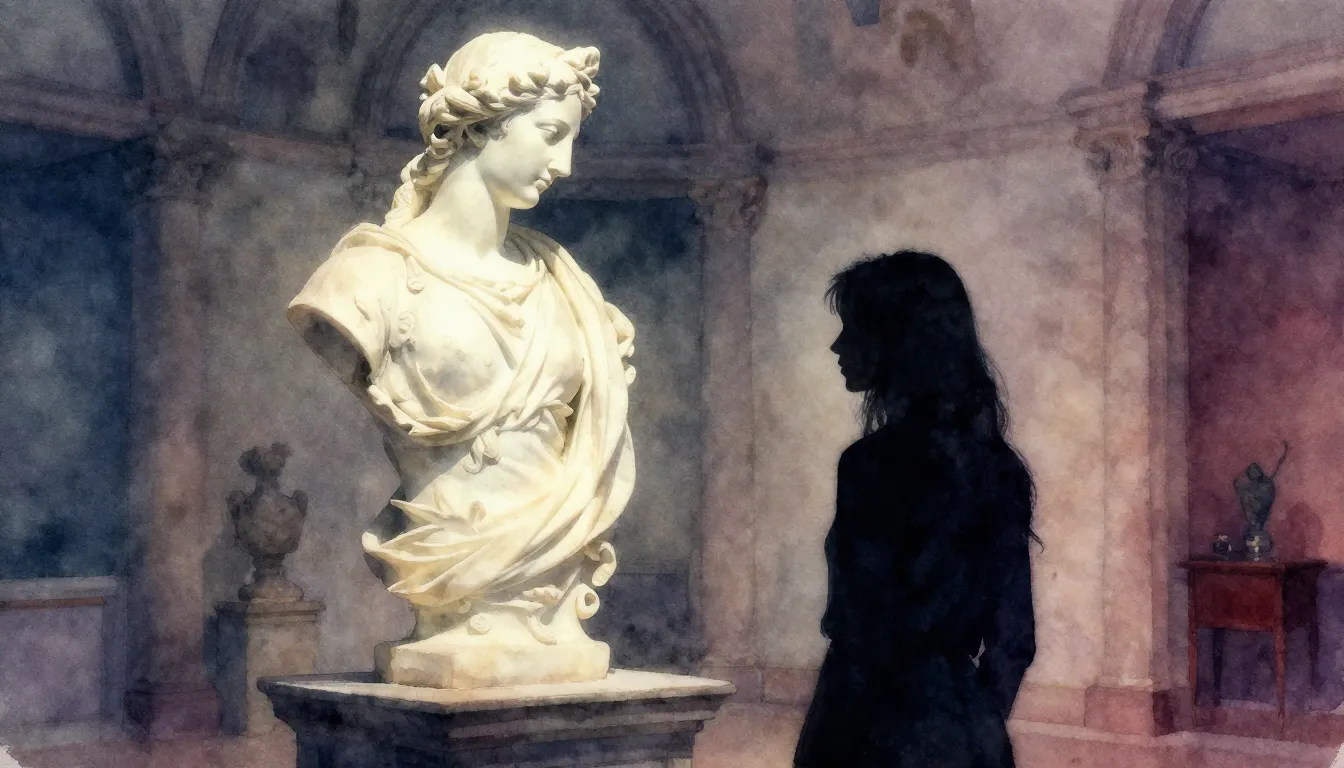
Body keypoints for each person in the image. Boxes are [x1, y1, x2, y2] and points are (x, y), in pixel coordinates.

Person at [286, 32, 635, 681]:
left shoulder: (566, 287)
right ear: (480, 126)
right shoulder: (366, 281)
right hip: (451, 563)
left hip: (555, 599)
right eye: (551, 134)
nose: (564, 165)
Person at [795, 251, 1038, 767]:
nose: (838, 345)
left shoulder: (868, 465)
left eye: (854, 328)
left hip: (863, 730)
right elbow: (1014, 639)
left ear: (895, 340)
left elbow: (863, 630)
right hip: (960, 731)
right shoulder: (997, 467)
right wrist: (970, 725)